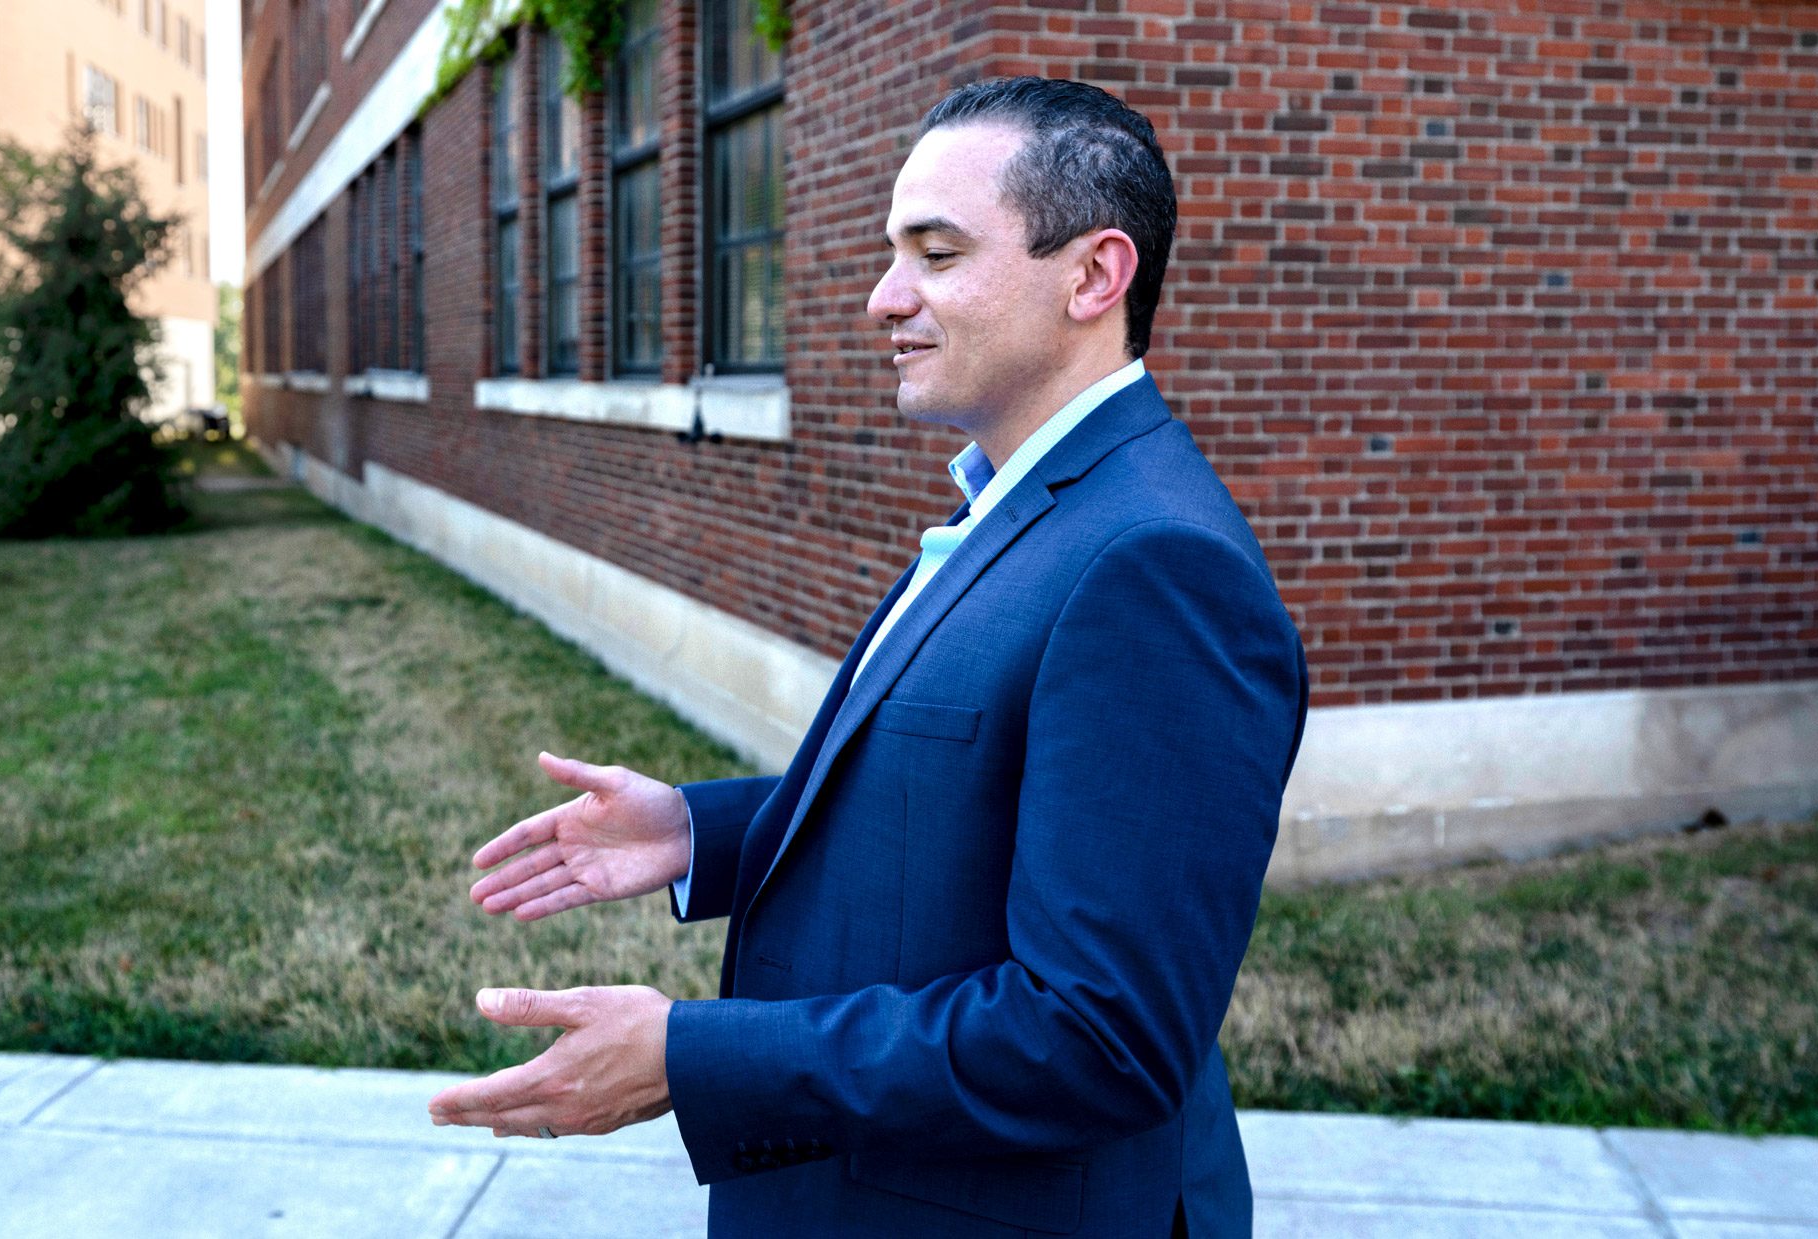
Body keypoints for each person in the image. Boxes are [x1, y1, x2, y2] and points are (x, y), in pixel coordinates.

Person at [428, 77, 1309, 1239]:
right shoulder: (1023, 502)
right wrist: (704, 832)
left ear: (1093, 277)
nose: (881, 299)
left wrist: (691, 1058)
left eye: (935, 255)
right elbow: (958, 802)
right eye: (893, 253)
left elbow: (1098, 1039)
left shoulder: (1151, 567)